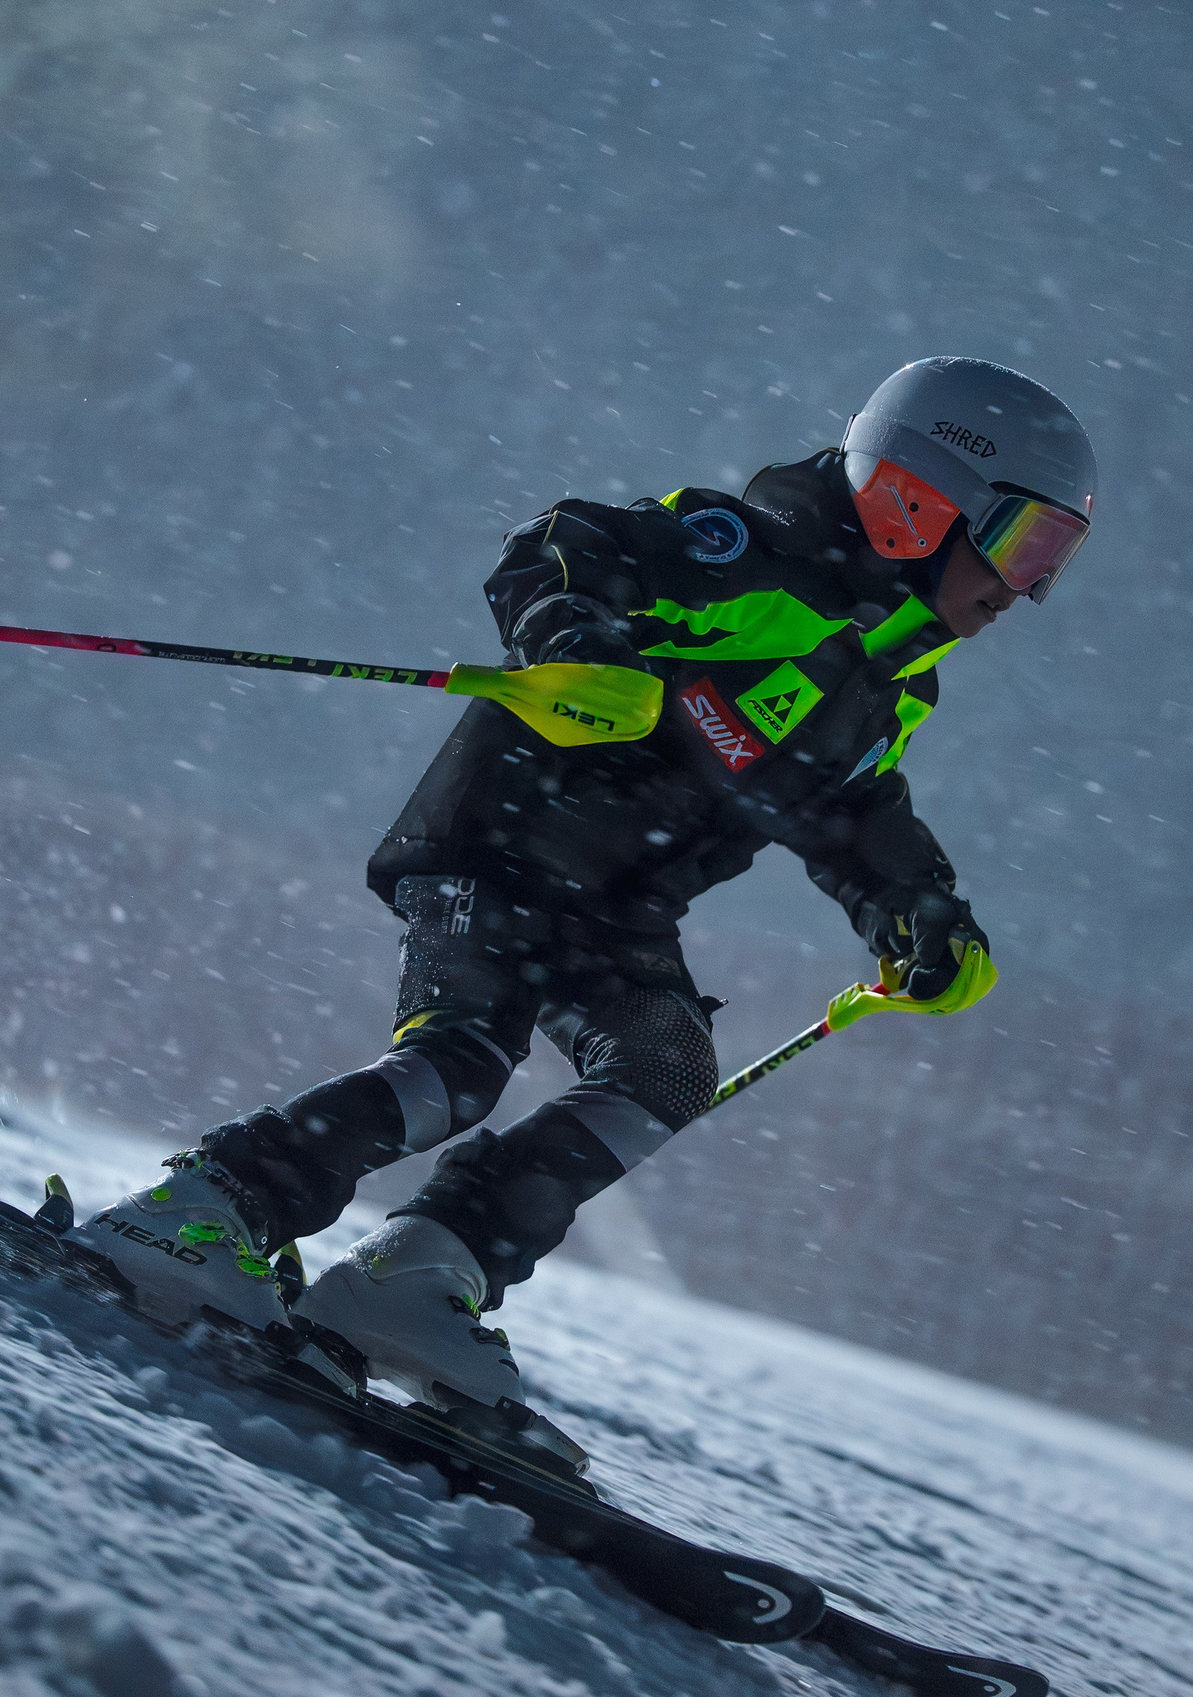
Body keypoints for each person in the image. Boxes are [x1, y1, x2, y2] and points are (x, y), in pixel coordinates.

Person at [63, 356, 1098, 1470]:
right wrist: (573, 640)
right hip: (507, 838)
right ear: (919, 498)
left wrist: (918, 912)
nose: (1024, 588)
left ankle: (419, 1273)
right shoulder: (750, 555)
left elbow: (853, 816)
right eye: (1023, 544)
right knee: (462, 1061)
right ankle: (209, 1206)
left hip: (619, 903)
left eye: (1055, 561)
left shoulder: (893, 685)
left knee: (663, 1070)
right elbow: (564, 545)